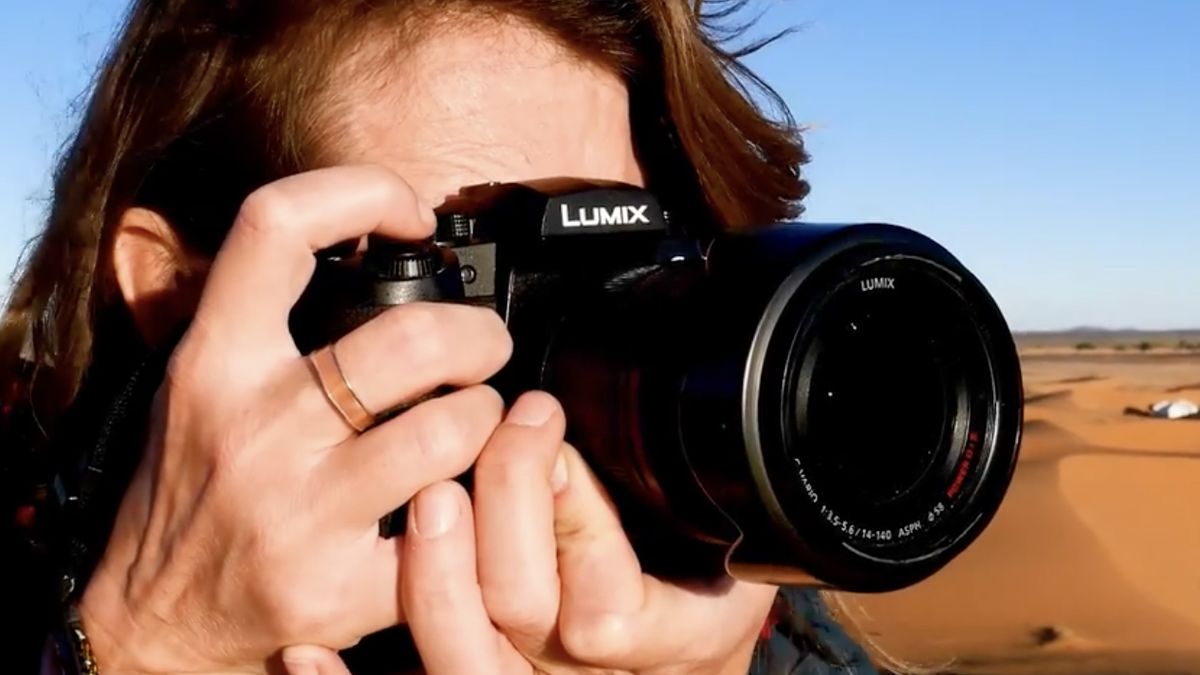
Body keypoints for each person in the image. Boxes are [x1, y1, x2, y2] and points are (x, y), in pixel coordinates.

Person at [0, 1, 879, 673]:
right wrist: (148, 645)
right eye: (458, 267)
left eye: (616, 264)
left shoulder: (727, 607)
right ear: (173, 289)